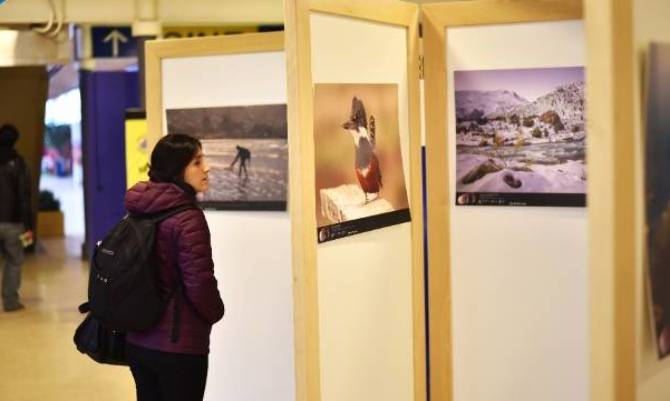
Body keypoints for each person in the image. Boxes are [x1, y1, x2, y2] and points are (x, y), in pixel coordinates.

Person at [124, 133, 225, 401]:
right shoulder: (187, 218)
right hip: (178, 345)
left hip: (138, 339)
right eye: (196, 162)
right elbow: (199, 283)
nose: (206, 167)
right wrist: (216, 312)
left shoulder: (139, 208)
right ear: (176, 169)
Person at [0, 124, 33, 312]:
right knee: (14, 261)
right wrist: (28, 226)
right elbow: (24, 197)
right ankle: (10, 301)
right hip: (13, 223)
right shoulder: (20, 164)